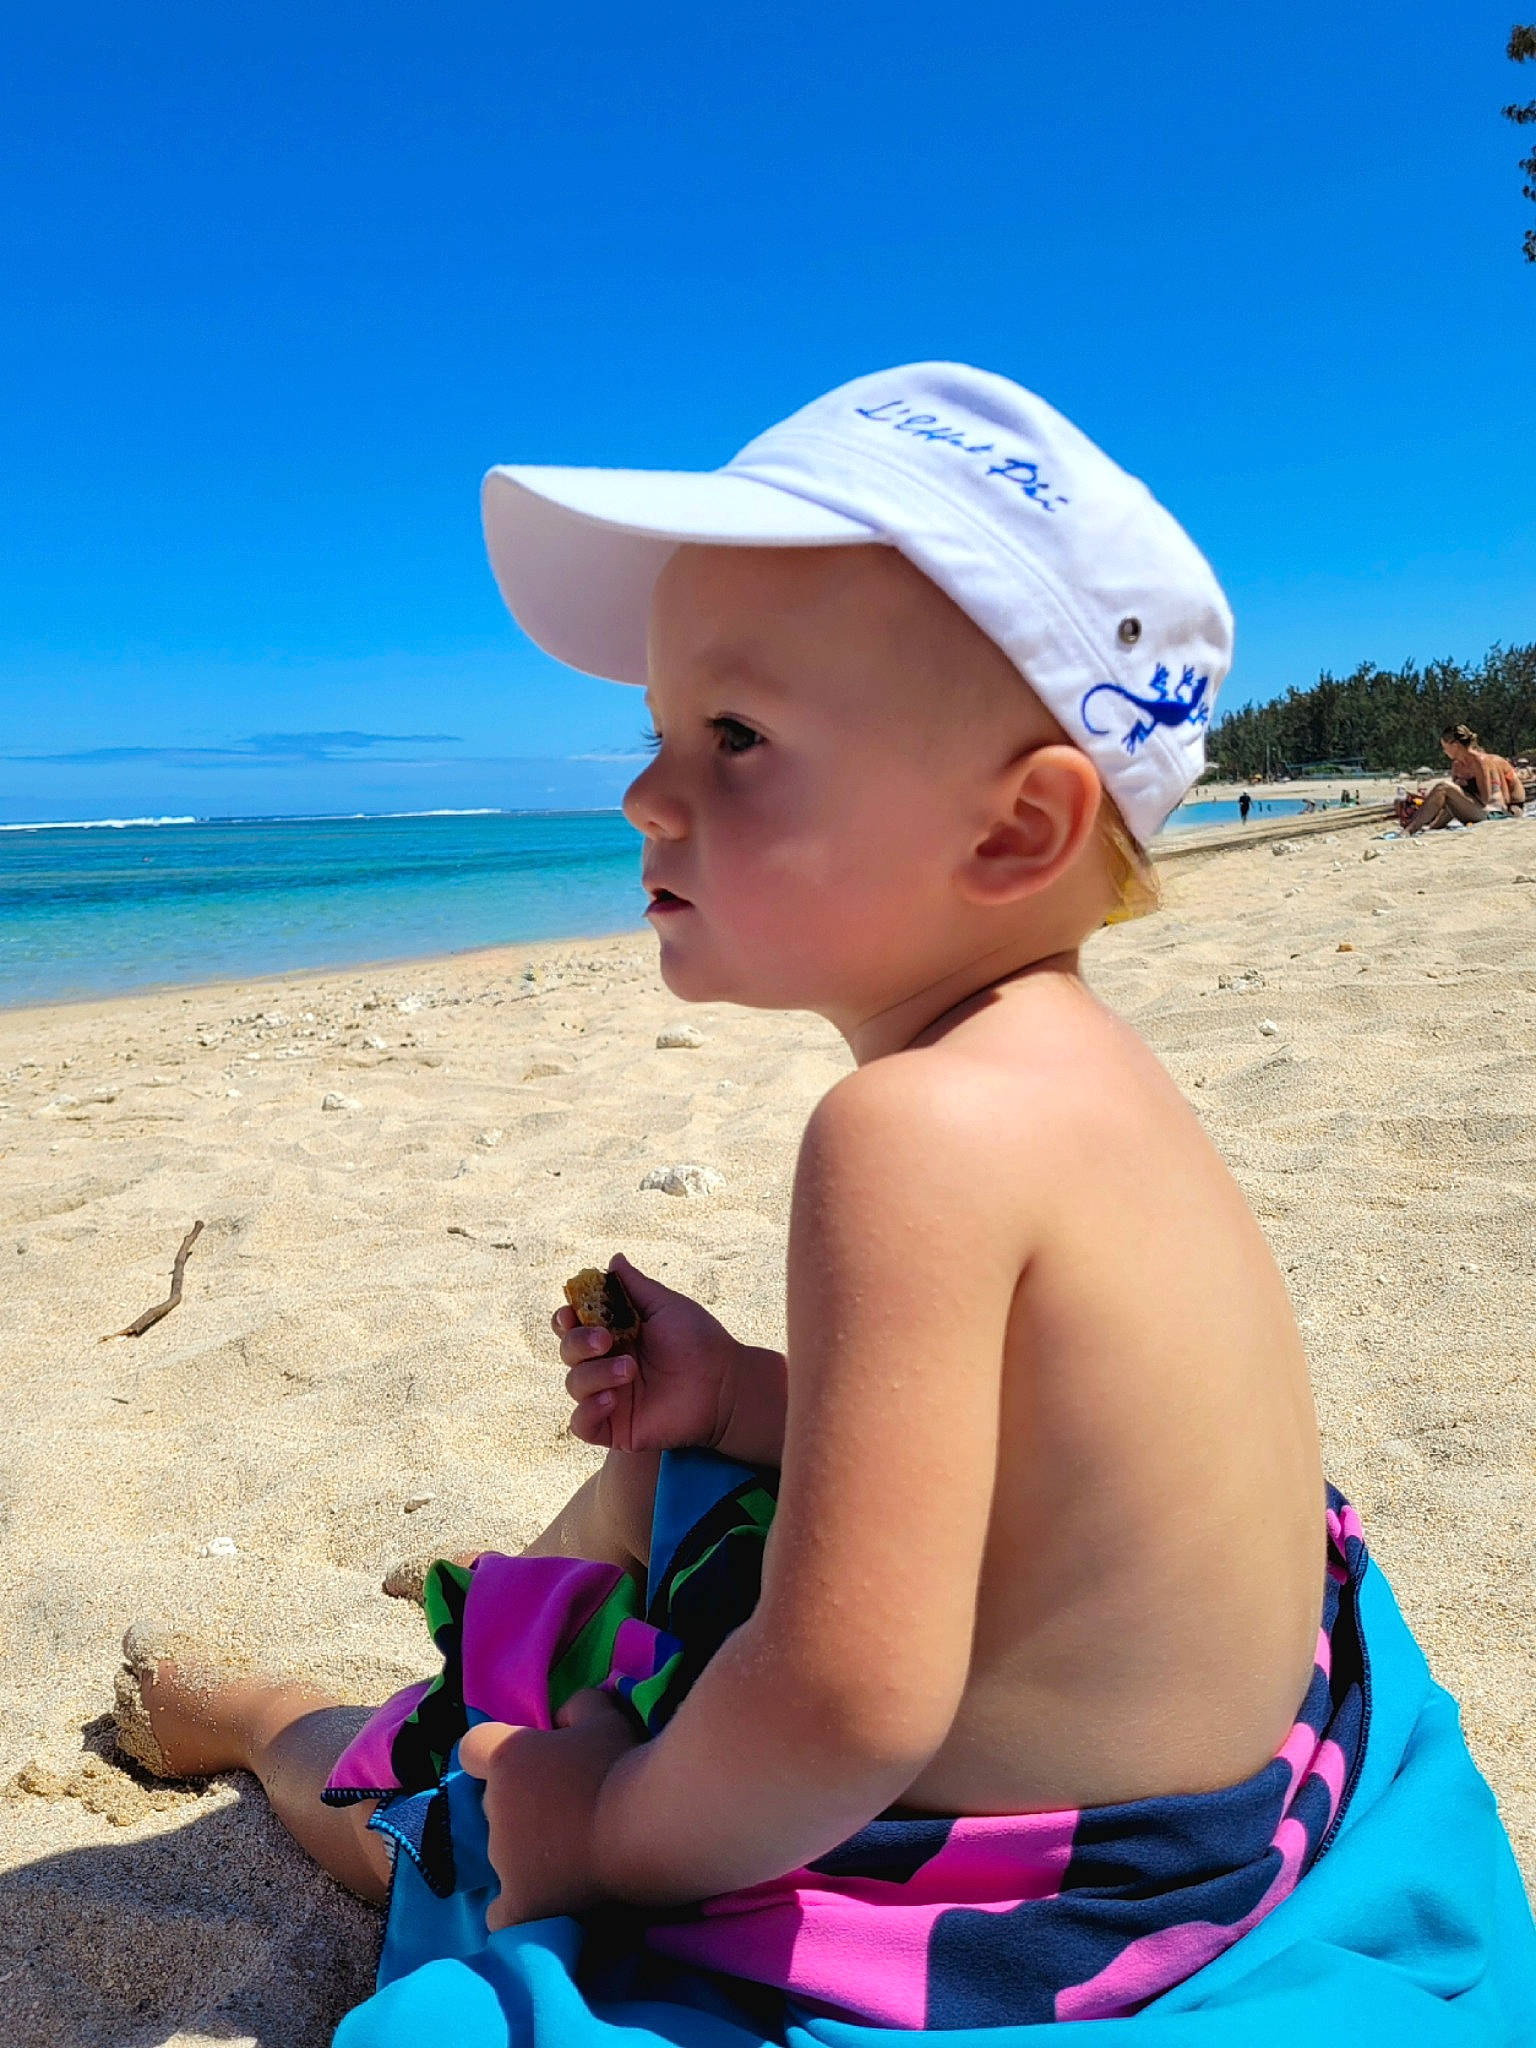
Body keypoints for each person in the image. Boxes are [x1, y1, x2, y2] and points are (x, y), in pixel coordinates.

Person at [112, 365, 1533, 2038]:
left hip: (1056, 1902)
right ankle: (506, 1629)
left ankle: (274, 1718)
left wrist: (601, 1826)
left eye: (735, 738)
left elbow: (848, 1701)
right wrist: (742, 1392)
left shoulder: (905, 1132)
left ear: (1015, 827)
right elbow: (1034, 1455)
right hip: (1257, 1769)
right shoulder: (1079, 1066)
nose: (647, 795)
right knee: (673, 1461)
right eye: (658, 732)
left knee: (462, 1807)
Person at [1406, 724, 1526, 834]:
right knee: (1445, 790)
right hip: (1477, 811)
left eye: (1445, 747)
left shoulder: (1480, 762)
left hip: (1494, 813)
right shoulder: (1457, 765)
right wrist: (1434, 826)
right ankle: (1414, 828)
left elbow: (1486, 799)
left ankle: (1409, 830)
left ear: (1455, 745)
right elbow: (1452, 802)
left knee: (1443, 787)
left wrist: (1464, 786)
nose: (1444, 751)